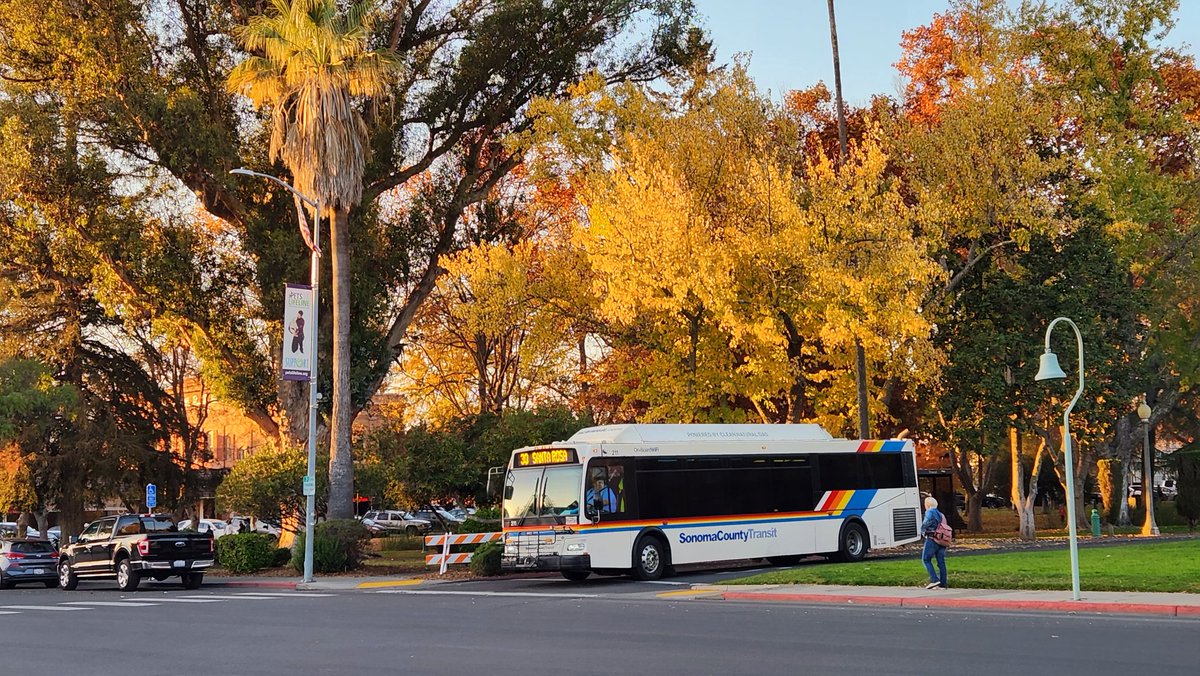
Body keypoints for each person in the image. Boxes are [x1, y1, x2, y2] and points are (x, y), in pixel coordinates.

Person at [921, 496, 948, 589]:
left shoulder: (930, 512)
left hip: (932, 539)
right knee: (941, 562)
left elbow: (926, 523)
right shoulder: (941, 514)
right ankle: (943, 583)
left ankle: (934, 580)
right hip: (942, 540)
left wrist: (923, 531)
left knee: (926, 559)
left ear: (927, 504)